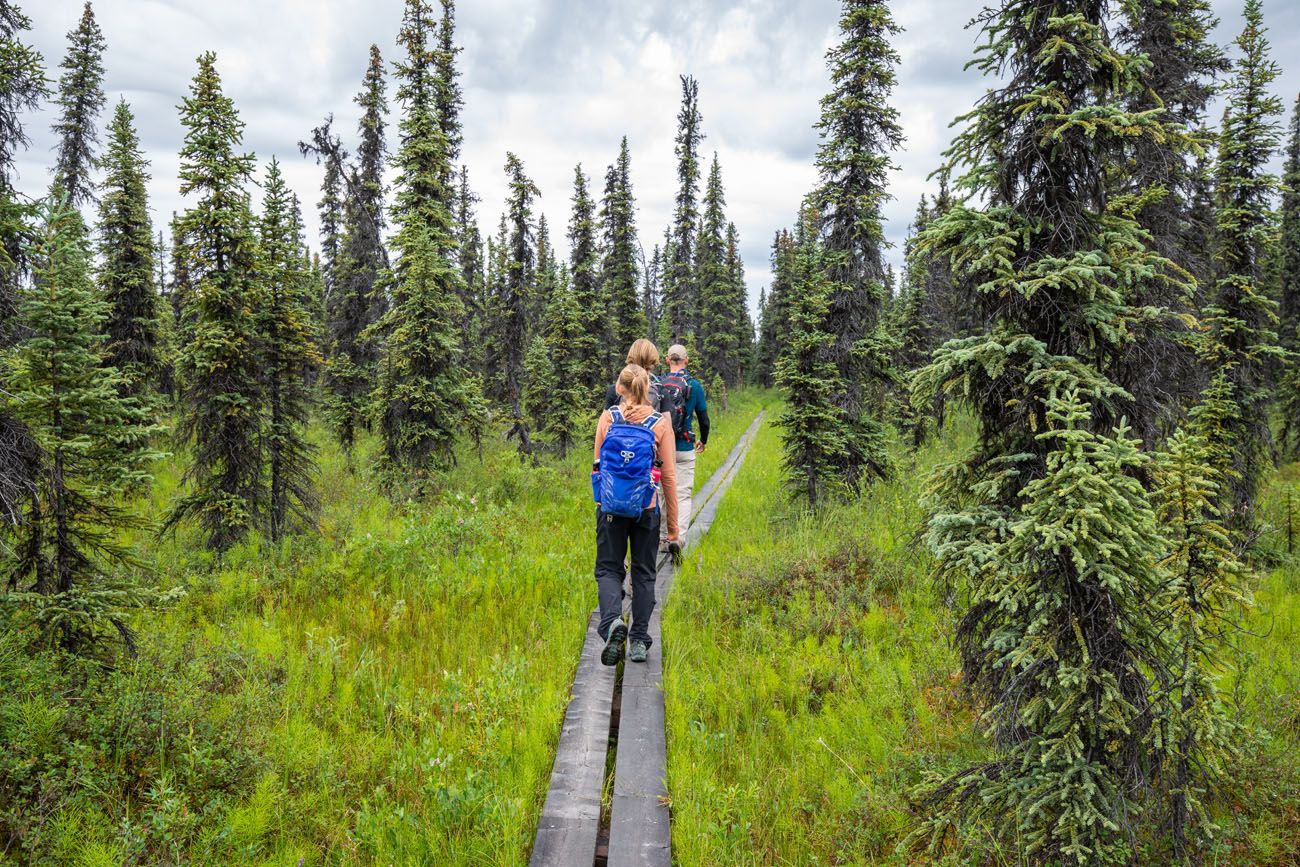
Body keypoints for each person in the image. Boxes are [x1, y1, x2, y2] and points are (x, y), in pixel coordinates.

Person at [592, 364, 679, 665]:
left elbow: (597, 468)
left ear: (620, 388)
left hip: (611, 508)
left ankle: (612, 623)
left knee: (608, 569)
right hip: (646, 508)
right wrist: (674, 531)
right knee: (644, 572)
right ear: (646, 390)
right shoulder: (659, 423)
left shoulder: (608, 418)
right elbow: (668, 477)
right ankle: (639, 641)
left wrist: (600, 505)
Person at [660, 345, 708, 551]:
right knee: (682, 493)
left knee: (662, 493)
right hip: (684, 446)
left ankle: (663, 537)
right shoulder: (694, 386)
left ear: (666, 360)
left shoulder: (658, 384)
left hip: (662, 448)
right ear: (686, 361)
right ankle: (678, 538)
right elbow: (704, 419)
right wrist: (703, 440)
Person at [604, 338, 661, 410]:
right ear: (651, 362)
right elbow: (667, 420)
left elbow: (605, 420)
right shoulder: (660, 391)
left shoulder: (616, 389)